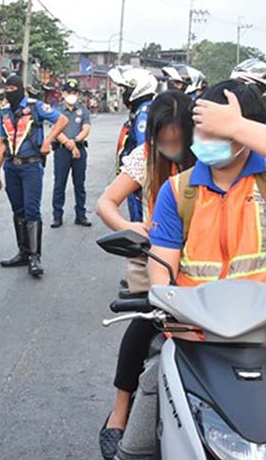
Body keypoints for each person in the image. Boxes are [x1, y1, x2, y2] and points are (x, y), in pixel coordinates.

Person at [115, 79, 266, 459]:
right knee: (146, 411)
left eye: (217, 127)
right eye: (202, 125)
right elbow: (162, 272)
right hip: (197, 342)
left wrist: (237, 125)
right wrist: (169, 309)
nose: (206, 135)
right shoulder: (178, 190)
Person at [95, 90, 195, 460]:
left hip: (200, 259)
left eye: (177, 140)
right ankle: (119, 412)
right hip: (152, 256)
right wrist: (130, 227)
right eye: (163, 141)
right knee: (146, 324)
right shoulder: (144, 158)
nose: (171, 148)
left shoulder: (209, 159)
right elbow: (105, 203)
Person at [0, 73, 68, 277]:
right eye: (6, 90)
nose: (9, 94)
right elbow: (2, 142)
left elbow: (62, 120)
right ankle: (23, 253)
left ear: (21, 89)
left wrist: (48, 141)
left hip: (31, 166)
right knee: (18, 210)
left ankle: (35, 257)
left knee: (31, 210)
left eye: (12, 90)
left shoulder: (36, 106)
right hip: (11, 166)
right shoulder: (5, 111)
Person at [108, 67, 159, 223]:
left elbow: (143, 152)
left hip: (139, 181)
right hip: (140, 180)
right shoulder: (144, 109)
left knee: (139, 223)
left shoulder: (143, 113)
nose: (125, 93)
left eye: (127, 89)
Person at [51, 79, 92, 228]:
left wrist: (74, 142)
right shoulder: (57, 110)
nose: (71, 95)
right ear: (63, 93)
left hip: (79, 150)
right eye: (69, 92)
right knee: (59, 185)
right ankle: (57, 216)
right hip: (62, 151)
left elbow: (86, 129)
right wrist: (69, 144)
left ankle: (81, 216)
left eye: (74, 92)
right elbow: (55, 131)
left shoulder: (83, 109)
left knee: (79, 185)